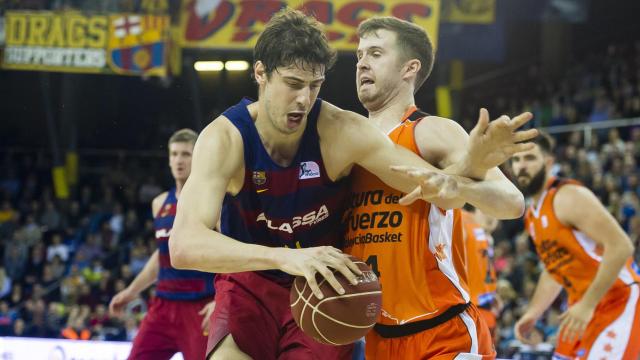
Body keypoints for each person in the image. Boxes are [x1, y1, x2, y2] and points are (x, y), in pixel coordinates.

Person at [168, 9, 535, 360]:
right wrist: (285, 257)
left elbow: (440, 186)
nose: (304, 99)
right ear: (260, 73)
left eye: (315, 86)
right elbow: (184, 245)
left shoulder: (359, 132)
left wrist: (473, 166)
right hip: (279, 293)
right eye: (293, 84)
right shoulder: (227, 137)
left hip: (365, 301)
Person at [343, 16, 532, 359]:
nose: (362, 64)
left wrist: (458, 185)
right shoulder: (344, 142)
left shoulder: (430, 131)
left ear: (409, 68)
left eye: (375, 53)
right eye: (358, 56)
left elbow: (512, 202)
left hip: (441, 334)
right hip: (376, 338)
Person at [511, 132, 640, 359]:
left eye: (529, 159)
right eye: (516, 159)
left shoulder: (567, 196)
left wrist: (588, 304)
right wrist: (533, 312)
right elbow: (554, 271)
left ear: (548, 162)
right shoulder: (531, 214)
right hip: (582, 307)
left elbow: (621, 246)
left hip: (618, 301)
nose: (521, 166)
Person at [109, 129, 216, 360]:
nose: (179, 160)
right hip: (163, 306)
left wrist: (222, 300)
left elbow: (231, 252)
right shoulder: (159, 203)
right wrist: (130, 291)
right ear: (168, 158)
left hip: (199, 306)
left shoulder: (214, 201)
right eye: (174, 154)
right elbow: (162, 256)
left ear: (198, 157)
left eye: (186, 154)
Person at [461, 205, 501, 344]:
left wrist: (492, 293)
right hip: (469, 309)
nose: (492, 217)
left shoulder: (484, 234)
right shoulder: (462, 221)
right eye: (489, 210)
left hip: (484, 307)